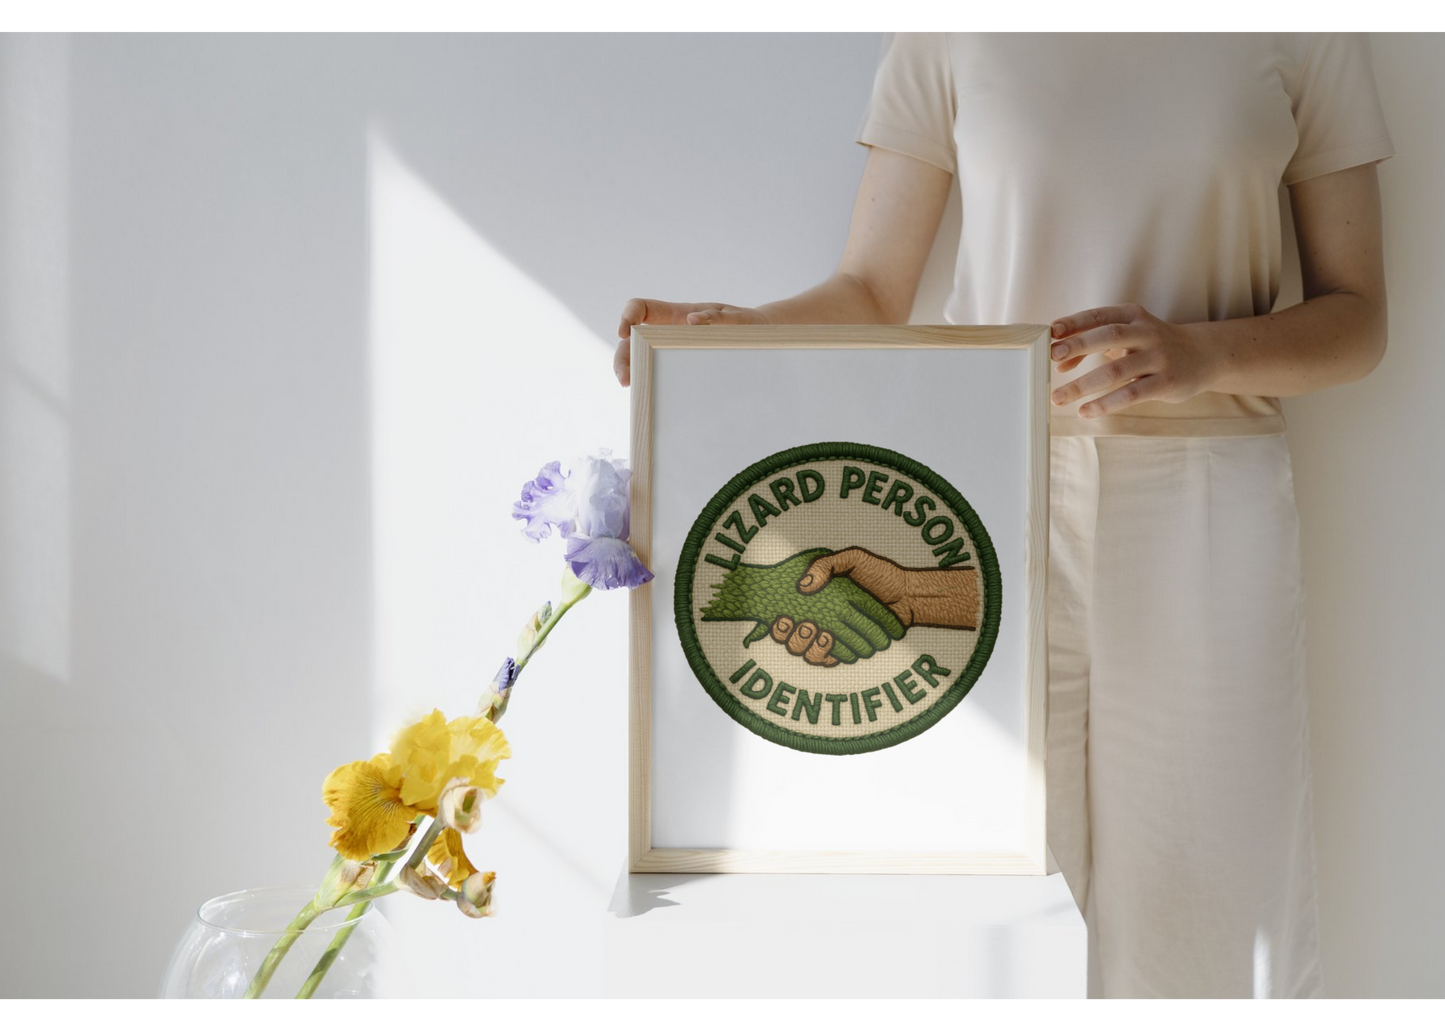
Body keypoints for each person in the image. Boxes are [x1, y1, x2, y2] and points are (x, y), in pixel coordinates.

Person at [612, 30, 1391, 1002]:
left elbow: (1357, 317)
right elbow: (871, 289)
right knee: (988, 894)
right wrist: (735, 333)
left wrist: (1199, 355)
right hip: (987, 499)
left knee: (1211, 908)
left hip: (1206, 496)